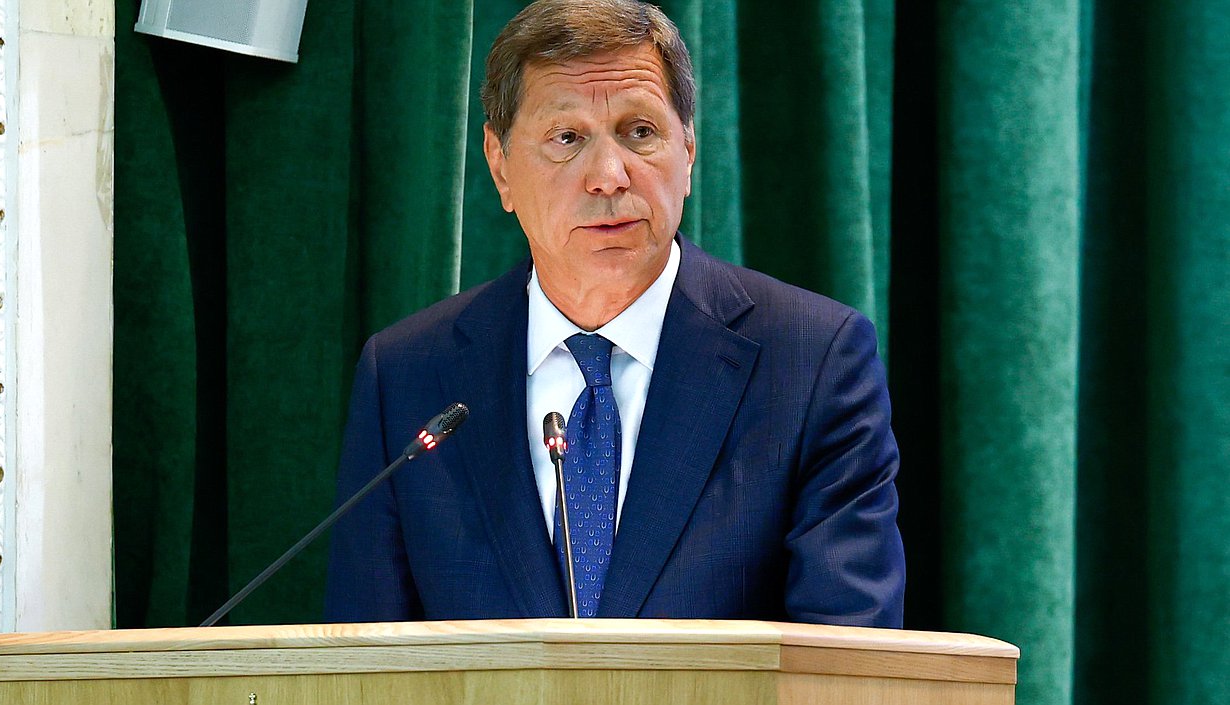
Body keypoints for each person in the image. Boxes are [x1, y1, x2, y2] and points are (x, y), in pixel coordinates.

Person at [325, 0, 904, 627]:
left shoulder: (813, 361)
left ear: (688, 151)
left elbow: (849, 654)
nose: (608, 176)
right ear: (500, 167)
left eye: (640, 132)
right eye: (567, 138)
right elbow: (365, 654)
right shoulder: (408, 374)